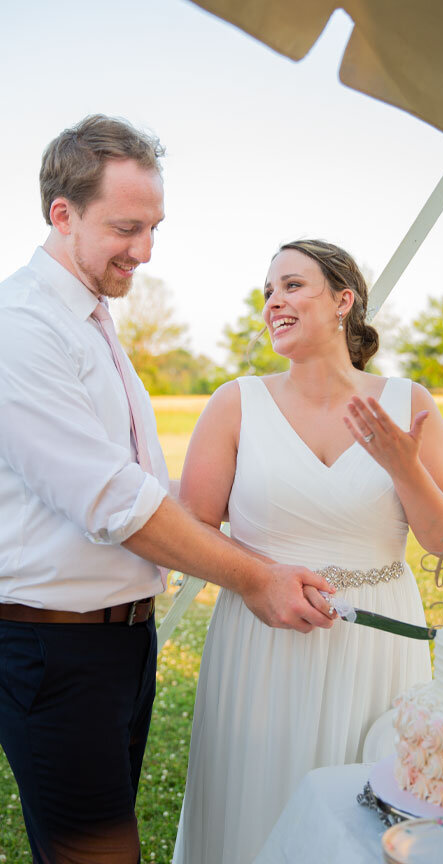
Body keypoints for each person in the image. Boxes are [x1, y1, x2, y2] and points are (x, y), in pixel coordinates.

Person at [0, 115, 336, 864]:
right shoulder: (22, 324)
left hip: (120, 643)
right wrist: (257, 577)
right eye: (127, 227)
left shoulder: (93, 322)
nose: (145, 251)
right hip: (55, 651)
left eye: (154, 227)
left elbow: (152, 485)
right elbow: (117, 502)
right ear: (63, 214)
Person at [172, 239, 443, 862]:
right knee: (259, 803)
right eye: (268, 292)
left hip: (378, 643)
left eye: (291, 285)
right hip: (263, 642)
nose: (274, 300)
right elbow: (190, 526)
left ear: (342, 300)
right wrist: (257, 577)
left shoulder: (408, 402)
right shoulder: (234, 402)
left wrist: (405, 469)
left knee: (369, 809)